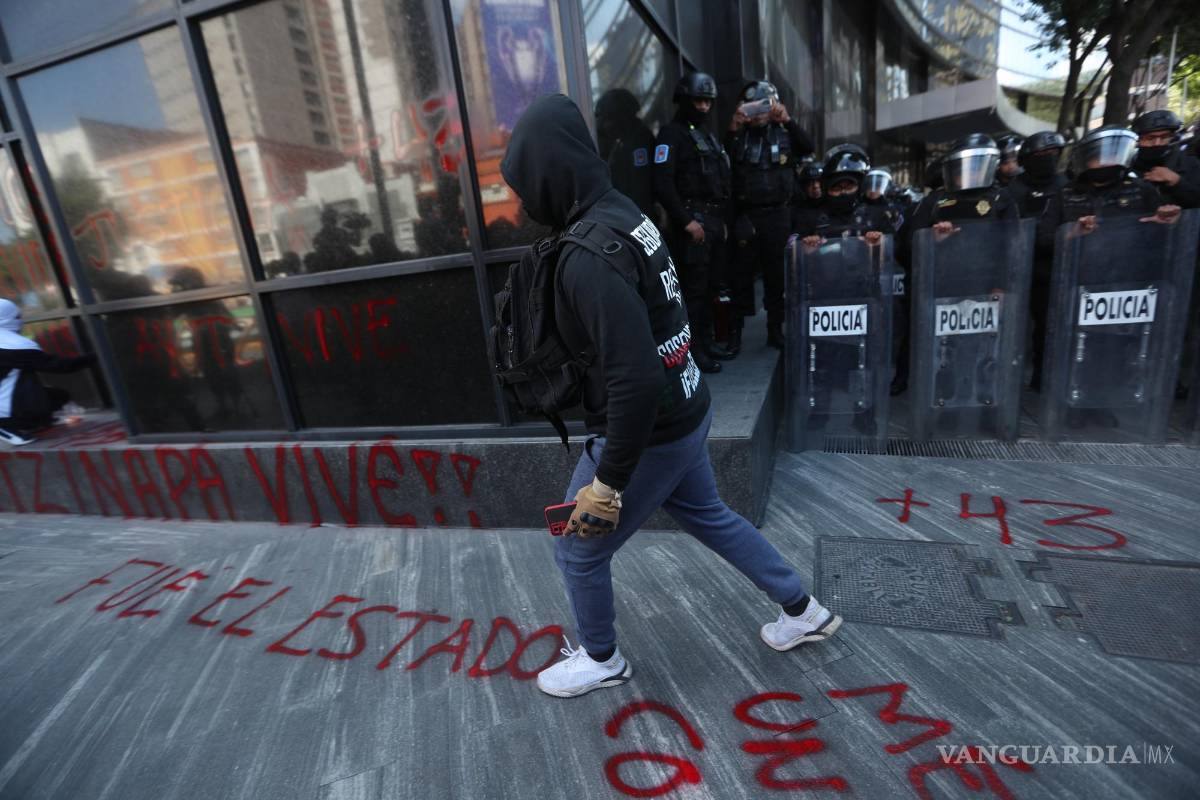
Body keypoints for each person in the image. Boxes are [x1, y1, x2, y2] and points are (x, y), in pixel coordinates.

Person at [499, 94, 841, 699]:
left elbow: (632, 378)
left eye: (524, 185)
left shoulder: (586, 256)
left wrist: (606, 484)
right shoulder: (621, 211)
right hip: (687, 408)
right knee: (710, 515)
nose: (522, 203)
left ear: (550, 171)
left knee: (578, 553)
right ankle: (803, 610)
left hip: (648, 430)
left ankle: (601, 659)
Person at [652, 71, 732, 373]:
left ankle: (707, 343)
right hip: (692, 225)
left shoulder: (707, 136)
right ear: (684, 100)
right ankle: (695, 352)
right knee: (694, 293)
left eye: (708, 102)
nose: (704, 107)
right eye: (698, 101)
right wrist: (686, 221)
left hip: (711, 222)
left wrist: (720, 221)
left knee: (712, 287)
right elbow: (662, 182)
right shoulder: (671, 135)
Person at [726, 81, 814, 352]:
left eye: (766, 104)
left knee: (777, 277)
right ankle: (734, 336)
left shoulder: (785, 133)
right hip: (747, 215)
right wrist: (734, 126)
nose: (760, 112)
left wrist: (788, 120)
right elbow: (723, 160)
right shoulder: (739, 135)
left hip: (779, 214)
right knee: (739, 277)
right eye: (754, 105)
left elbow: (808, 147)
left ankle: (775, 330)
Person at [1007, 130, 1068, 389]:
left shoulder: (1066, 186)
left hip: (1053, 268)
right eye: (1041, 155)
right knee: (1012, 327)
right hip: (1014, 268)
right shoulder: (1012, 190)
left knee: (1049, 325)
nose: (1047, 159)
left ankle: (1043, 376)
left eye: (1052, 154)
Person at [0, 299, 95, 445]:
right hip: (6, 411)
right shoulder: (12, 347)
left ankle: (29, 421)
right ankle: (8, 425)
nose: (20, 321)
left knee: (57, 396)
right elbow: (60, 366)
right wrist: (97, 355)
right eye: (17, 317)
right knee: (45, 400)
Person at [910, 134, 1019, 233]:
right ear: (953, 170)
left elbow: (1013, 241)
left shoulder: (1001, 198)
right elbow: (915, 242)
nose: (970, 174)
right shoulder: (935, 201)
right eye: (964, 169)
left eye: (976, 168)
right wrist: (935, 238)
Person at [595, 88, 658, 219]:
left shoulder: (639, 140)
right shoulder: (620, 142)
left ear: (620, 118)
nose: (604, 126)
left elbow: (640, 186)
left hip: (638, 214)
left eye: (608, 119)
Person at [1131, 109, 1200, 209]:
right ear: (1139, 140)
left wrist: (1177, 181)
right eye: (1150, 138)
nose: (1157, 143)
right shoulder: (1127, 166)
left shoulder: (1190, 163)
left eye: (1164, 137)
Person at [790, 160, 824, 235]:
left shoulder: (834, 208)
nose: (816, 186)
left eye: (819, 181)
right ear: (804, 187)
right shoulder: (796, 212)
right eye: (810, 183)